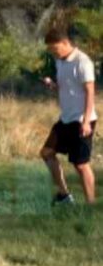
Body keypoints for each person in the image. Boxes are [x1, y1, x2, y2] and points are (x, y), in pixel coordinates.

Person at [41, 29, 97, 205]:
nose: (54, 53)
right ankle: (64, 195)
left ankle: (91, 205)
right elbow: (66, 87)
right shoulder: (60, 61)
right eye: (51, 50)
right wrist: (53, 85)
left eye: (55, 48)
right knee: (46, 153)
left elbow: (90, 93)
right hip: (65, 119)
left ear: (65, 43)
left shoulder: (83, 62)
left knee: (81, 164)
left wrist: (86, 122)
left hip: (81, 120)